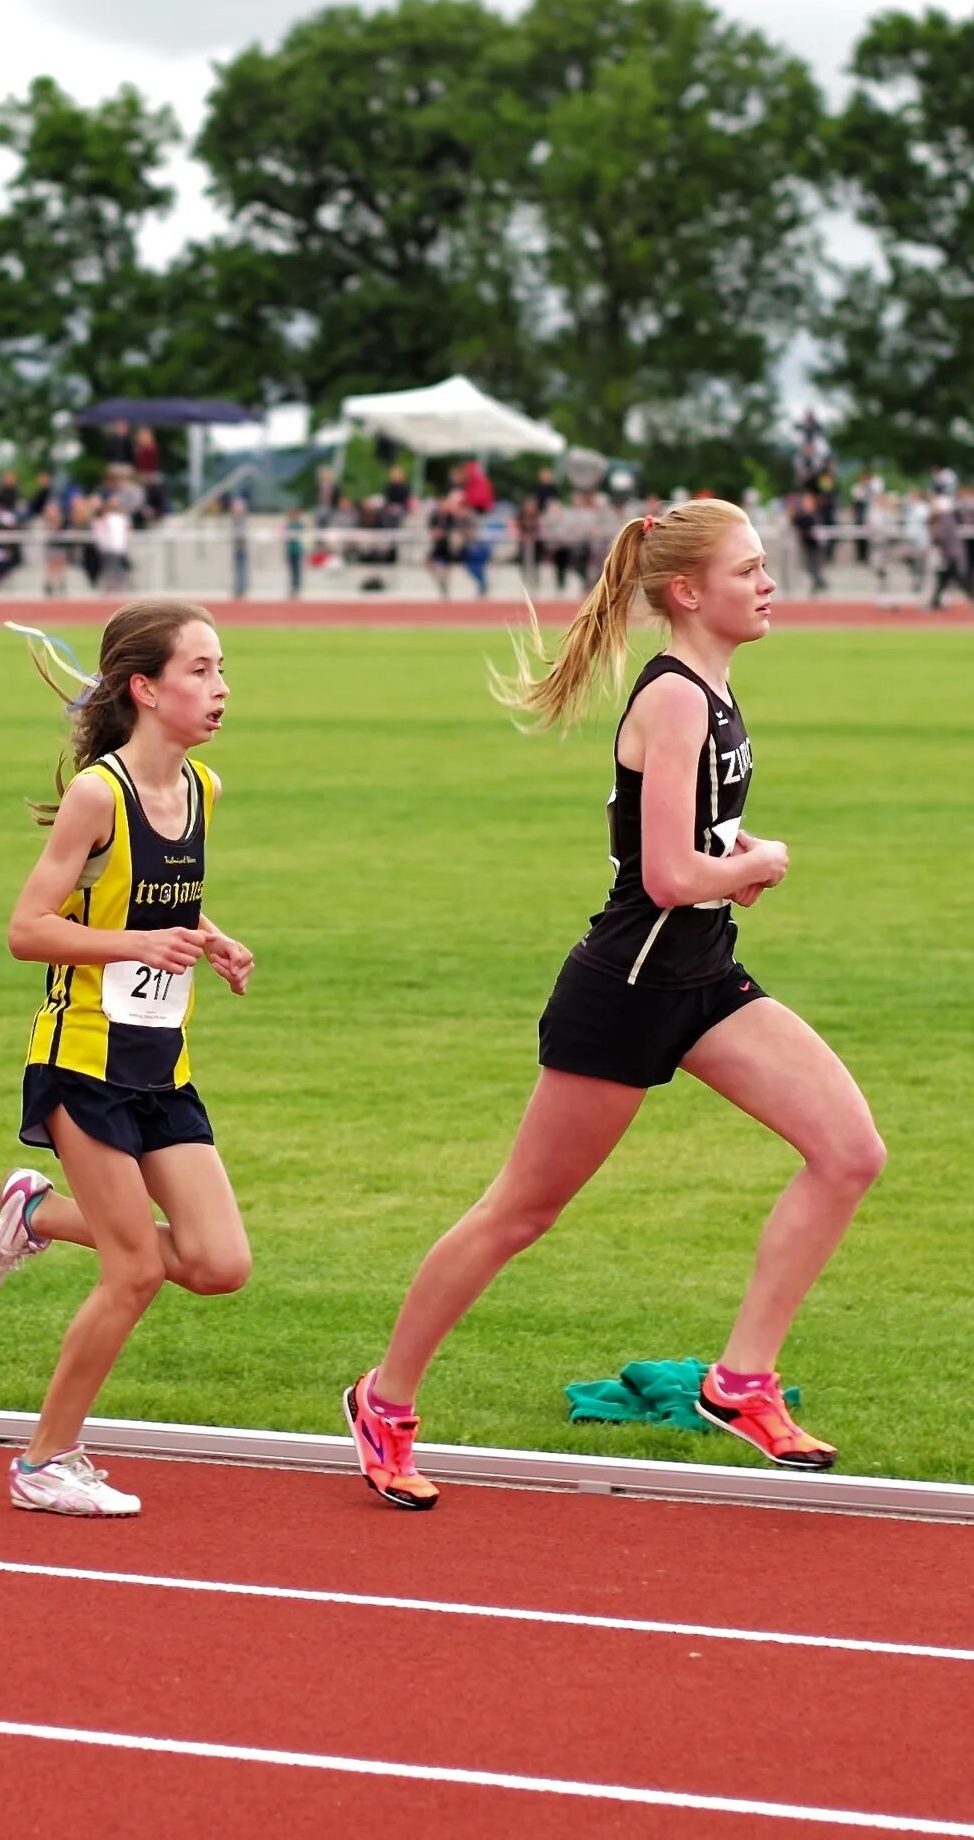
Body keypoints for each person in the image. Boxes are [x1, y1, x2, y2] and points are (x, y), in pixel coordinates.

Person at [340, 501, 879, 1510]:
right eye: (750, 569)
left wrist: (736, 862)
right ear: (688, 591)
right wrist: (753, 863)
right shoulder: (675, 697)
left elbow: (683, 850)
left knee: (849, 1151)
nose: (768, 585)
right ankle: (385, 1397)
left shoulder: (713, 687)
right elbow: (670, 876)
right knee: (521, 1212)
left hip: (702, 982)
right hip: (625, 994)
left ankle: (740, 1381)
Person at [0, 602, 256, 1517]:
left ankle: (36, 1212)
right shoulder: (101, 793)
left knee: (216, 1262)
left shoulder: (201, 788)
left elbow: (147, 898)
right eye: (201, 670)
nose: (220, 687)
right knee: (133, 1269)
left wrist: (209, 938)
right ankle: (44, 1460)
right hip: (80, 1060)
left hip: (161, 1063)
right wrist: (136, 945)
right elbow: (27, 929)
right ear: (145, 687)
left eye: (220, 669)